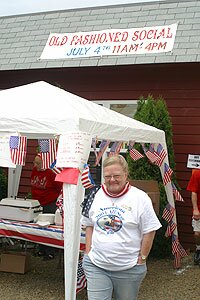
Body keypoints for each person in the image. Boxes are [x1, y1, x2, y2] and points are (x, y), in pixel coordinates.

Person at [81, 155, 161, 300]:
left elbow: (150, 230)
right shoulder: (93, 195)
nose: (112, 180)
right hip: (96, 265)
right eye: (107, 176)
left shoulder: (140, 198)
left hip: (129, 268)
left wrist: (142, 258)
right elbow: (88, 225)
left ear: (126, 174)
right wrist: (88, 250)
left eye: (116, 175)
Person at [31, 154, 62, 260]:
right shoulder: (35, 170)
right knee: (39, 227)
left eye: (38, 163)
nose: (35, 165)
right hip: (37, 203)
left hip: (49, 203)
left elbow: (59, 188)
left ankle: (50, 252)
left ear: (44, 163)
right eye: (35, 163)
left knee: (48, 227)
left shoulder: (51, 173)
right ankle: (41, 250)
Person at [187, 169, 200, 265]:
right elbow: (194, 192)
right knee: (197, 233)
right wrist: (195, 209)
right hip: (199, 210)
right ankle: (198, 249)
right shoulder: (197, 173)